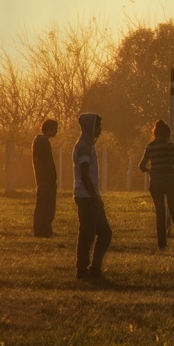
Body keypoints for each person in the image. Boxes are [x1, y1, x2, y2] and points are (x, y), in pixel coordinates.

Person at [138, 119, 174, 250]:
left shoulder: (149, 146)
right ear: (167, 134)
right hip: (169, 179)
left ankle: (162, 245)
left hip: (155, 182)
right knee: (172, 205)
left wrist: (151, 171)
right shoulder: (168, 145)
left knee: (160, 214)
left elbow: (141, 166)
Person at [73, 113, 112, 280]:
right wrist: (94, 196)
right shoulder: (83, 146)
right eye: (98, 126)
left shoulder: (89, 145)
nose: (100, 130)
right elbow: (84, 174)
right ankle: (82, 270)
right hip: (87, 197)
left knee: (105, 233)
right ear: (90, 127)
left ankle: (95, 268)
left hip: (92, 195)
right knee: (87, 235)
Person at [32, 119, 59, 238]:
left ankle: (41, 230)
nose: (57, 132)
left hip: (43, 179)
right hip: (46, 180)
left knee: (42, 205)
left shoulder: (39, 141)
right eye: (55, 129)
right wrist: (51, 178)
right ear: (49, 129)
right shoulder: (43, 143)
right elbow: (46, 163)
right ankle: (44, 231)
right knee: (46, 206)